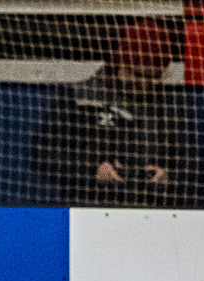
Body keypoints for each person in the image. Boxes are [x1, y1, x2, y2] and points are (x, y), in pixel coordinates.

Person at [34, 18, 194, 207]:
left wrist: (169, 176)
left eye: (155, 77)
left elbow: (190, 163)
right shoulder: (80, 97)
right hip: (89, 206)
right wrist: (92, 170)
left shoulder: (167, 107)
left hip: (149, 208)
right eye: (139, 75)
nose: (145, 84)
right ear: (121, 63)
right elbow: (43, 155)